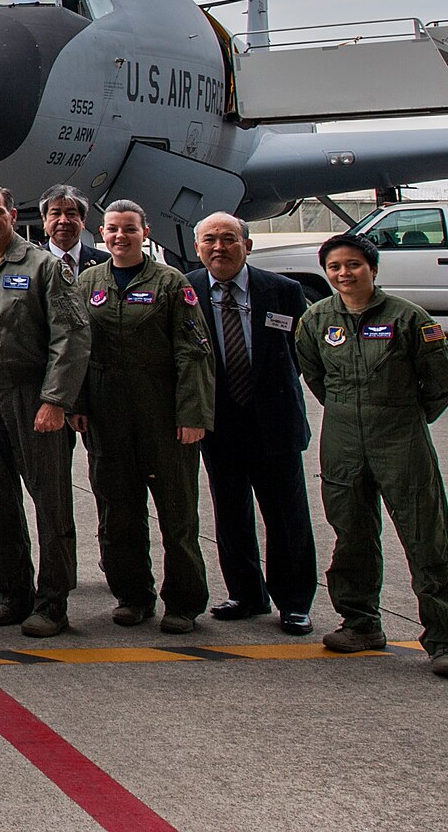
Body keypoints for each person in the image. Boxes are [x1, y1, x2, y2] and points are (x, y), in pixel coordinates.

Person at [296, 233, 448, 679]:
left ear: (372, 268)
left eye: (353, 265)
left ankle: (444, 641)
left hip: (400, 440)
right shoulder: (316, 319)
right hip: (343, 441)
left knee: (426, 537)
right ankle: (360, 623)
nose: (344, 274)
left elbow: (441, 383)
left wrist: (402, 419)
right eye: (334, 267)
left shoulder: (409, 318)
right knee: (350, 534)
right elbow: (315, 376)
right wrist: (350, 412)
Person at [0, 184, 90, 638]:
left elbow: (72, 336)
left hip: (31, 395)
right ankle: (13, 594)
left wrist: (55, 400)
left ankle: (53, 602)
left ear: (13, 214)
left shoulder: (44, 266)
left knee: (50, 502)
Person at [69, 200, 215, 634]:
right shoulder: (87, 282)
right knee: (116, 512)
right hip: (107, 413)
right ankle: (132, 595)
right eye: (112, 229)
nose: (120, 236)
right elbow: (75, 348)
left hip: (162, 412)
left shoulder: (171, 283)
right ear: (101, 233)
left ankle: (184, 603)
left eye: (129, 229)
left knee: (177, 515)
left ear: (144, 232)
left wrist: (193, 415)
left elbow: (194, 352)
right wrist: (76, 403)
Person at [187, 212, 318, 635]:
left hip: (274, 421)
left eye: (229, 239)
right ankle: (245, 593)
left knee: (286, 515)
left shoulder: (282, 291)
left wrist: (272, 392)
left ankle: (294, 601)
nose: (219, 248)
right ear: (197, 247)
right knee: (230, 513)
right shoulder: (186, 289)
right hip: (219, 422)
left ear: (248, 245)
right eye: (210, 240)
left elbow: (303, 353)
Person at [41, 185, 108, 278]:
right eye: (56, 213)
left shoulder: (106, 263)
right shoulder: (31, 262)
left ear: (83, 220)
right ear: (44, 219)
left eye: (71, 214)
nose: (63, 220)